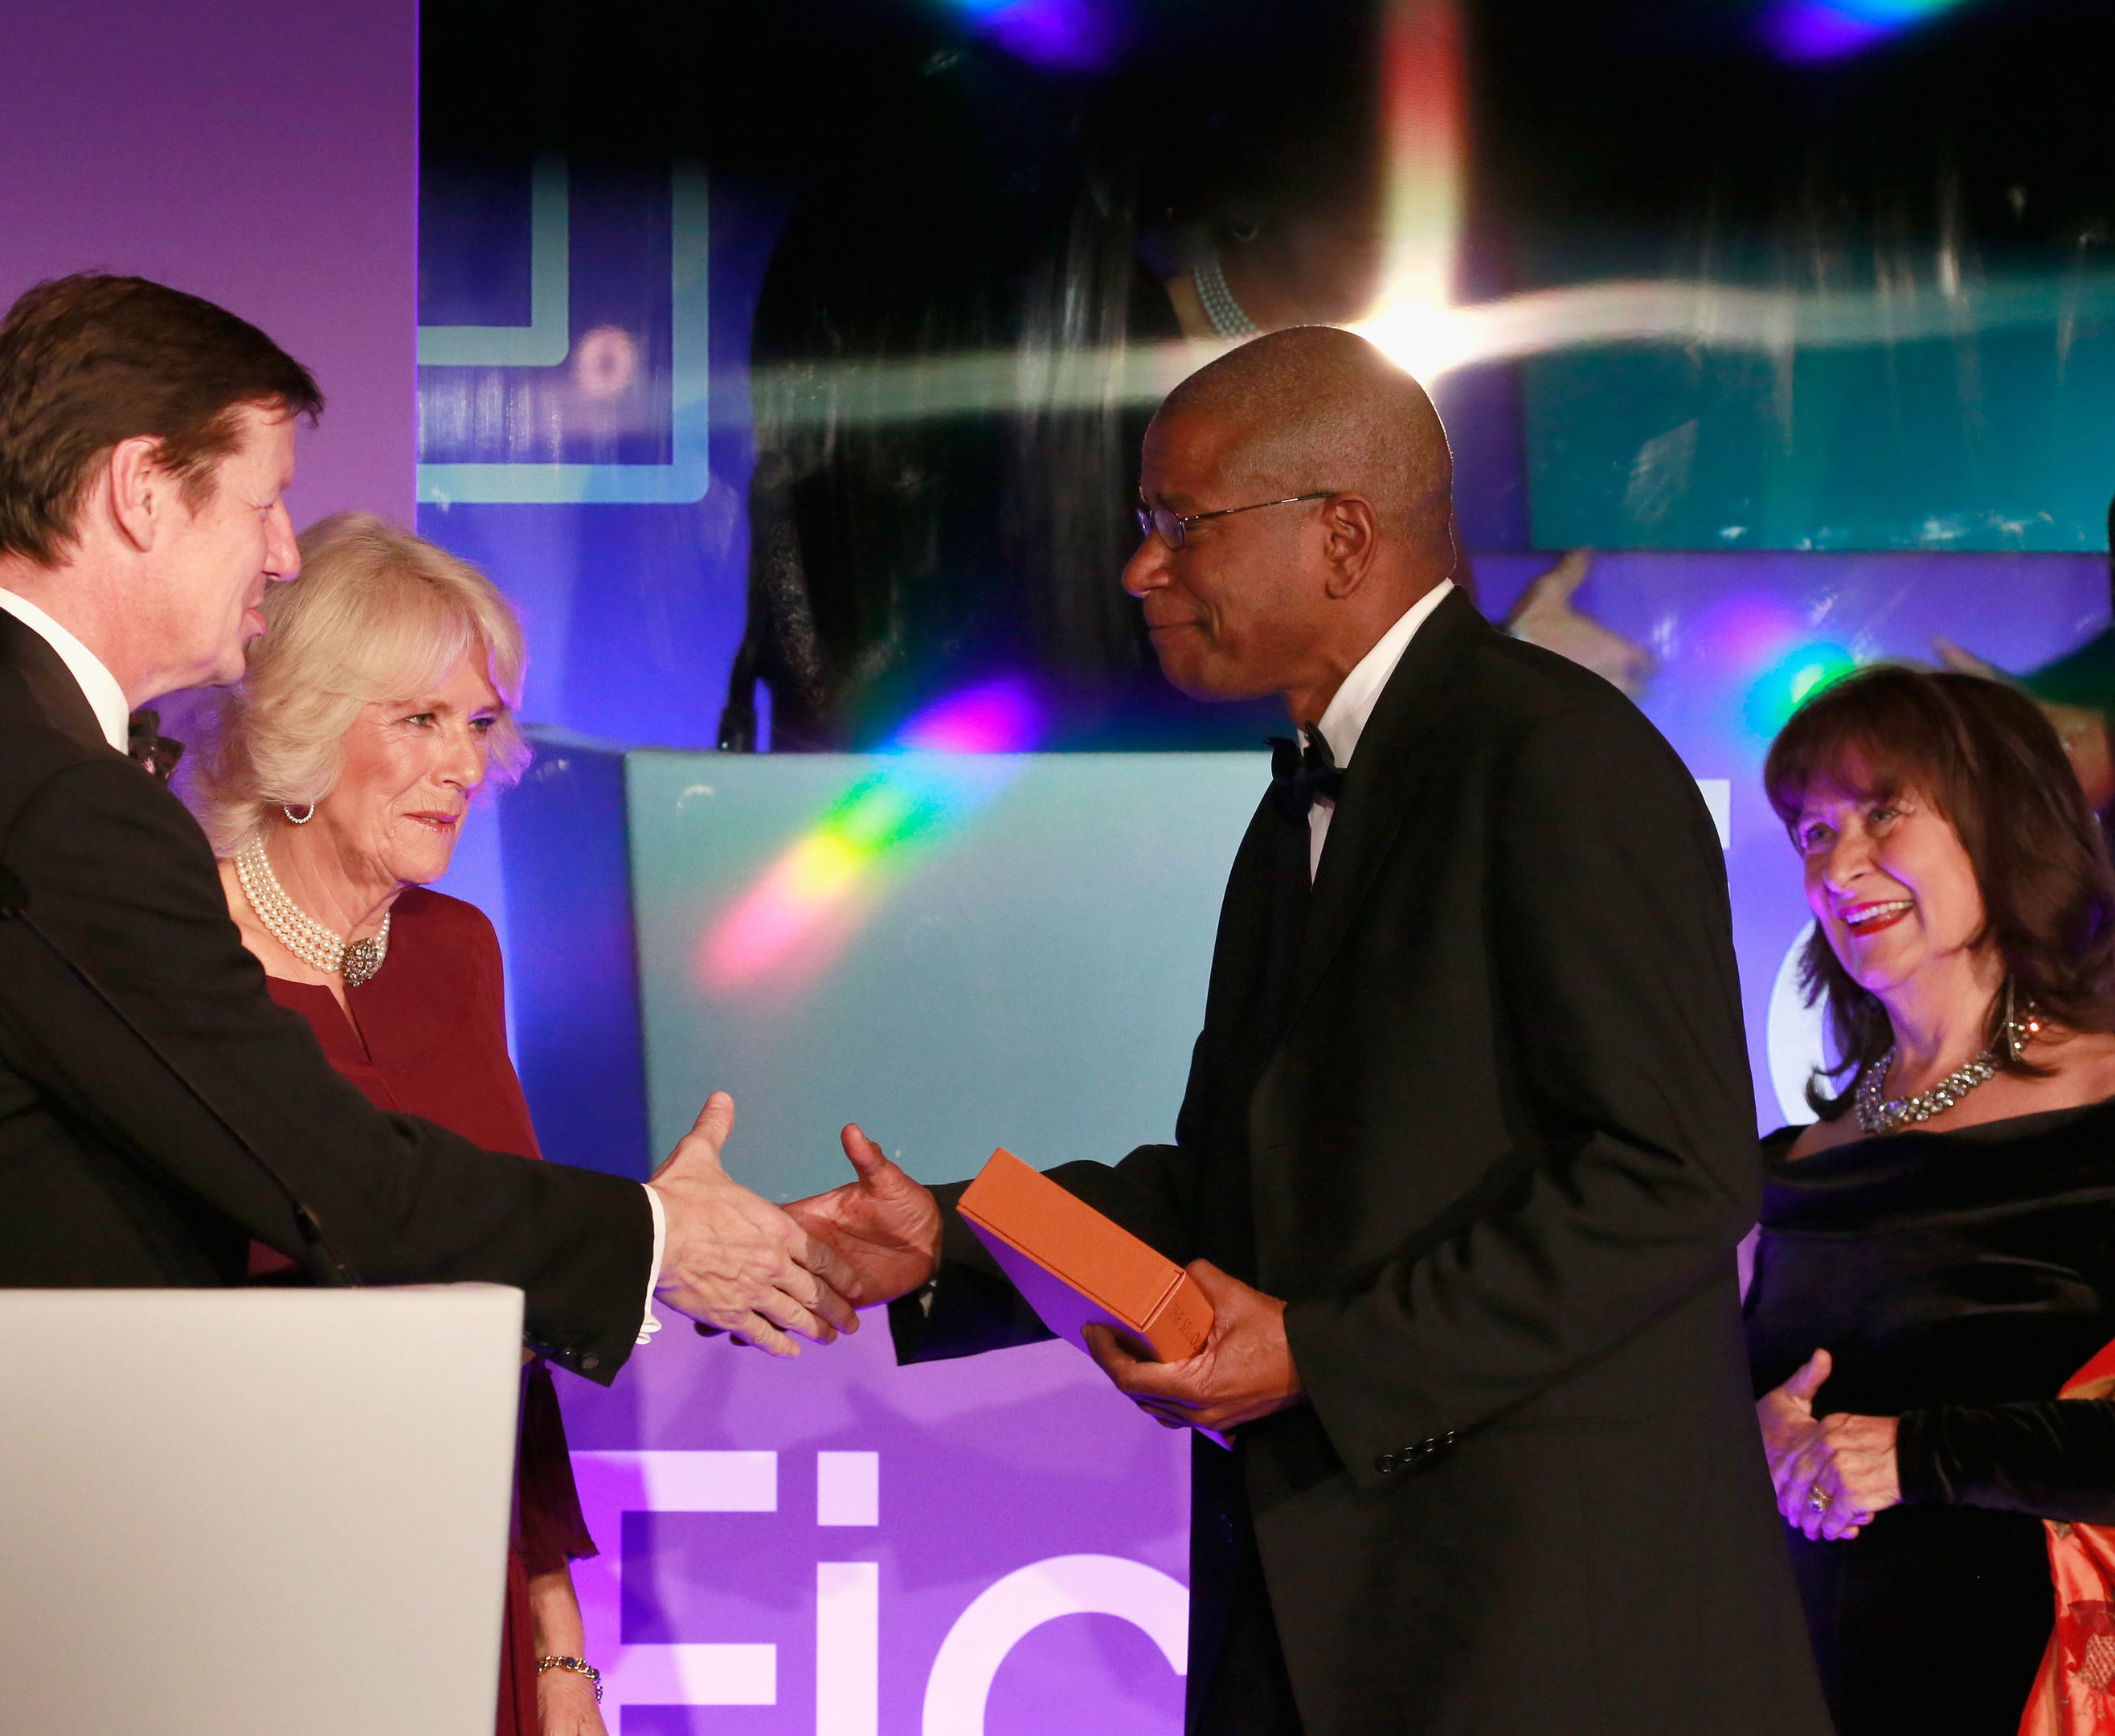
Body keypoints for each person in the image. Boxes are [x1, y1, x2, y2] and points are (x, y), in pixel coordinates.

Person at [783, 326, 1827, 1735]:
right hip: (1343, 1615)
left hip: (1544, 1636)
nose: (1141, 568)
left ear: (1341, 536)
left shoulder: (1557, 758)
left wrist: (1325, 1356)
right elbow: (1239, 1184)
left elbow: (1672, 1181)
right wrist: (954, 1235)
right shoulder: (1307, 804)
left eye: (1177, 524)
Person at [0, 273, 854, 1381]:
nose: (283, 554)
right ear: (142, 491)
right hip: (22, 1493)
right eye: (262, 502)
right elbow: (326, 1174)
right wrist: (658, 1236)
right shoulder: (58, 802)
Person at [185, 510, 606, 1735]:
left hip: (461, 1582)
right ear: (304, 726)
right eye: (419, 721)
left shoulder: (457, 952)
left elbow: (504, 1323)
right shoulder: (180, 958)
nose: (466, 766)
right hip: (249, 1595)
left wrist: (558, 1649)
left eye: (477, 724)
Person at [1745, 665, 2115, 1734]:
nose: (1840, 863)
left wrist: (1910, 1457)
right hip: (1797, 1680)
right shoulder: (1783, 1165)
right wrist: (1744, 1441)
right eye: (1813, 832)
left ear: (2001, 817)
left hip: (2038, 1688)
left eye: (1881, 812)